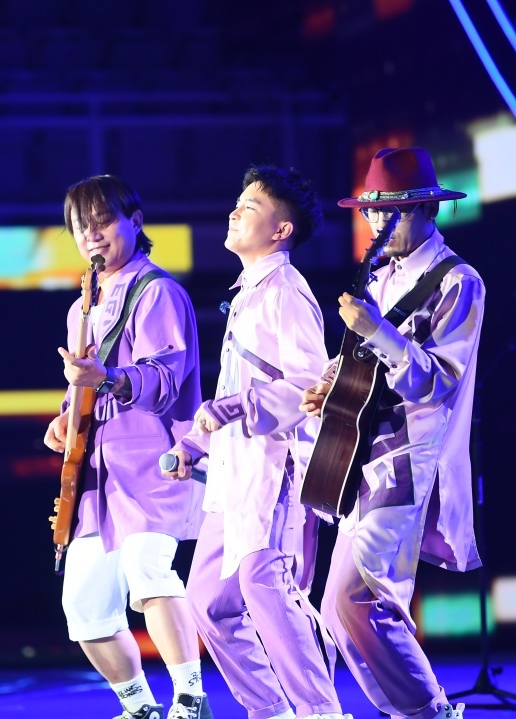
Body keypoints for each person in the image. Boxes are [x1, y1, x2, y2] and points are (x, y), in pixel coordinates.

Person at [300, 147, 484, 719]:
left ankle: (430, 711)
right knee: (343, 610)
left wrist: (378, 330)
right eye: (373, 212)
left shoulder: (459, 282)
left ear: (429, 209)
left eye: (393, 212)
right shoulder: (378, 278)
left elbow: (439, 381)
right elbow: (356, 364)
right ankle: (414, 711)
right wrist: (329, 387)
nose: (379, 223)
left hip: (410, 458)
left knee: (355, 595)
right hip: (357, 453)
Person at [164, 165, 347, 719]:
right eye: (238, 202)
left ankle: (321, 712)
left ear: (281, 230)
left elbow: (312, 385)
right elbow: (230, 388)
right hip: (231, 476)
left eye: (249, 206)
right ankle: (271, 710)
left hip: (272, 472)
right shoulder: (251, 291)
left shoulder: (286, 291)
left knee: (266, 587)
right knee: (207, 601)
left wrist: (235, 408)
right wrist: (194, 445)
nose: (234, 211)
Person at [44, 174, 213, 719]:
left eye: (103, 222)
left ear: (135, 222)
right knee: (85, 607)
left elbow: (164, 377)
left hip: (153, 464)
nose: (92, 235)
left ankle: (191, 698)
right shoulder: (80, 309)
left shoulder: (158, 291)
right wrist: (65, 418)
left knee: (148, 571)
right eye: (81, 227)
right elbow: (83, 386)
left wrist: (108, 379)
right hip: (97, 479)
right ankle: (140, 707)